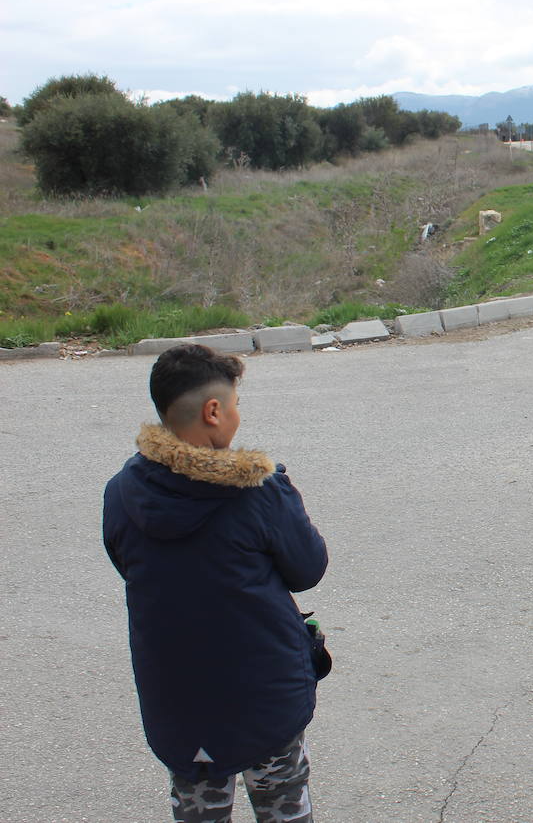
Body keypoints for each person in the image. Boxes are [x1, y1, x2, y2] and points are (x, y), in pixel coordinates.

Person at [104, 343, 329, 823]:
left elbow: (126, 564)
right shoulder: (258, 492)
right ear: (213, 411)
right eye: (235, 405)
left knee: (197, 811)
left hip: (178, 703)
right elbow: (307, 569)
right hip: (264, 696)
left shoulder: (122, 491)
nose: (236, 415)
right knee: (283, 805)